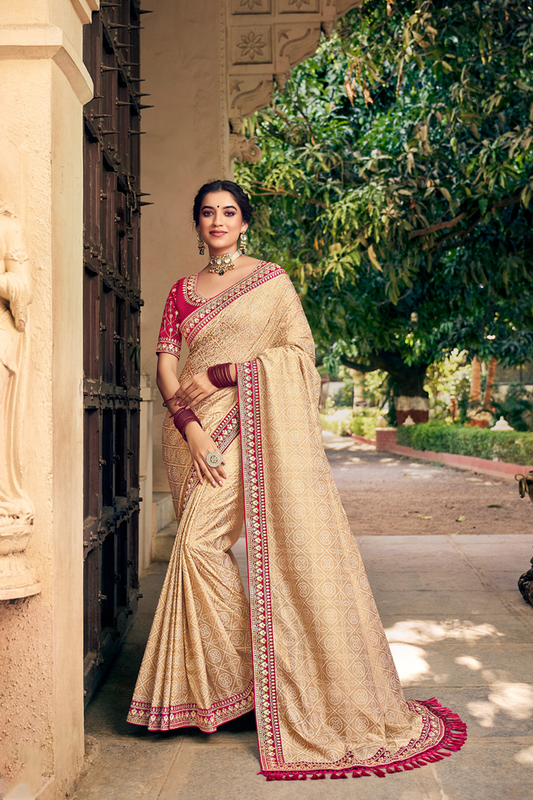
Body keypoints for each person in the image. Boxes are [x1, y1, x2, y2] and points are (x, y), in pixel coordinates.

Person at [127, 180, 466, 780]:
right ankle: (225, 691)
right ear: (197, 223)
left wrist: (231, 371)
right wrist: (188, 424)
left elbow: (300, 358)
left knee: (197, 547)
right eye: (207, 213)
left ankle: (245, 682)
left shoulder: (271, 283)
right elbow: (164, 361)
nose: (217, 221)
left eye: (228, 212)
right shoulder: (182, 291)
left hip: (245, 426)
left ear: (245, 222)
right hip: (190, 438)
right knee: (203, 553)